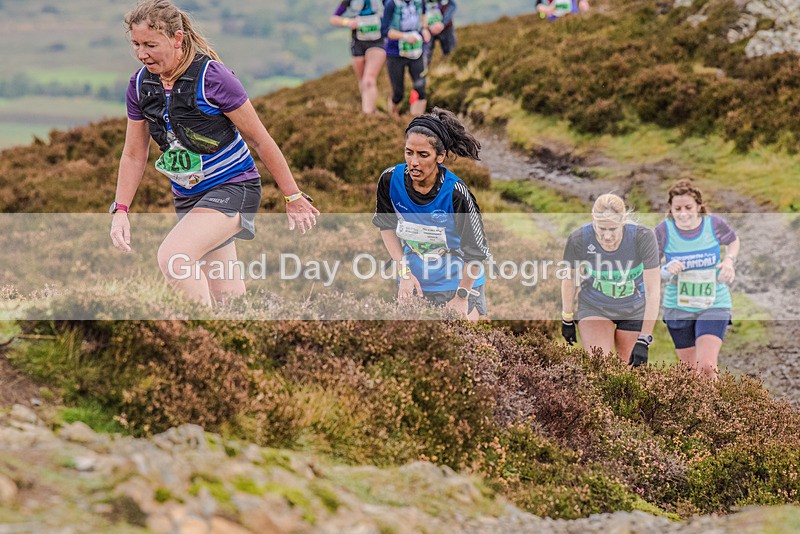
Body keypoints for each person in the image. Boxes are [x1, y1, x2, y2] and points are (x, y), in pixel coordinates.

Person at [109, 0, 318, 307]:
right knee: (228, 300)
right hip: (189, 195)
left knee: (174, 258)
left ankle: (198, 336)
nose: (142, 54)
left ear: (177, 38)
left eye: (151, 45)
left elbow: (260, 140)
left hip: (234, 187)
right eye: (137, 44)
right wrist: (121, 210)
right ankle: (234, 344)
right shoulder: (140, 85)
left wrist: (293, 197)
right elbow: (133, 155)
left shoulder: (213, 77)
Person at [373, 107, 490, 320]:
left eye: (423, 154)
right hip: (414, 280)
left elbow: (477, 253)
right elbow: (386, 225)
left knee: (464, 349)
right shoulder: (390, 180)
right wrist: (404, 272)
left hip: (459, 283)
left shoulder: (456, 194)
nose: (414, 162)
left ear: (441, 156)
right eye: (409, 152)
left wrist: (461, 297)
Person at [561, 194, 660, 366]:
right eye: (601, 228)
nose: (607, 236)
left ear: (623, 221)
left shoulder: (643, 237)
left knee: (630, 369)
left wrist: (644, 339)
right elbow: (570, 280)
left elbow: (653, 291)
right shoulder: (579, 239)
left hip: (633, 308)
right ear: (593, 220)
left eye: (613, 229)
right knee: (600, 365)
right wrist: (567, 318)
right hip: (595, 306)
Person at [655, 180, 740, 379]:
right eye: (677, 208)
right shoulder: (663, 230)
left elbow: (733, 241)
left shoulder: (713, 224)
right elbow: (650, 268)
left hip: (714, 302)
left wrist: (728, 261)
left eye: (688, 207)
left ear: (699, 206)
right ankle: (698, 410)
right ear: (670, 208)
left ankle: (715, 410)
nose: (683, 213)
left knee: (707, 367)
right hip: (678, 306)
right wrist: (666, 270)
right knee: (691, 374)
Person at [331, 1, 387, 114]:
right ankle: (372, 109)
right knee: (363, 80)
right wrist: (347, 22)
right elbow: (334, 19)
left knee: (369, 80)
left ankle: (367, 115)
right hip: (358, 42)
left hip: (378, 42)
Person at [381, 0, 431, 116]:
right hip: (395, 54)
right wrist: (405, 36)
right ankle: (393, 117)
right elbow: (384, 30)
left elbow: (423, 14)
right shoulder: (391, 4)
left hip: (416, 52)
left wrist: (424, 29)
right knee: (398, 94)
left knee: (421, 90)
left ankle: (415, 122)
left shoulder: (419, 2)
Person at [422, 0, 457, 69]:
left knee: (451, 55)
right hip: (427, 30)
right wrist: (425, 27)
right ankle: (424, 76)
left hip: (446, 28)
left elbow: (452, 5)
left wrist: (443, 23)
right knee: (424, 58)